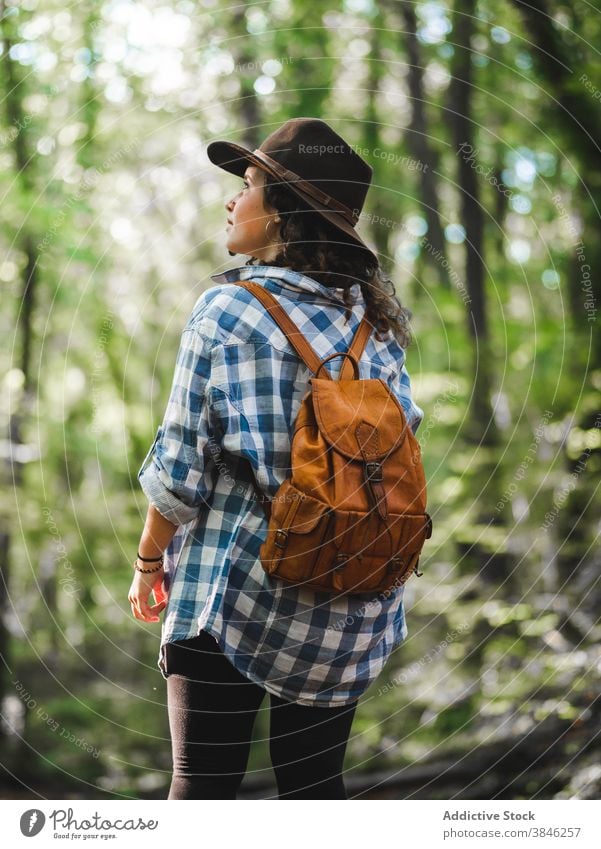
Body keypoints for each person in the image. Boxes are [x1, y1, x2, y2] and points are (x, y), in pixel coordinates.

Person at [128, 117, 424, 800]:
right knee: (315, 790)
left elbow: (180, 471)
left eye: (251, 184)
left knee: (202, 792)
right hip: (352, 601)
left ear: (287, 212)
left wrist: (148, 562)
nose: (232, 199)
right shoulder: (372, 322)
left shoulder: (227, 310)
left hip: (237, 596)